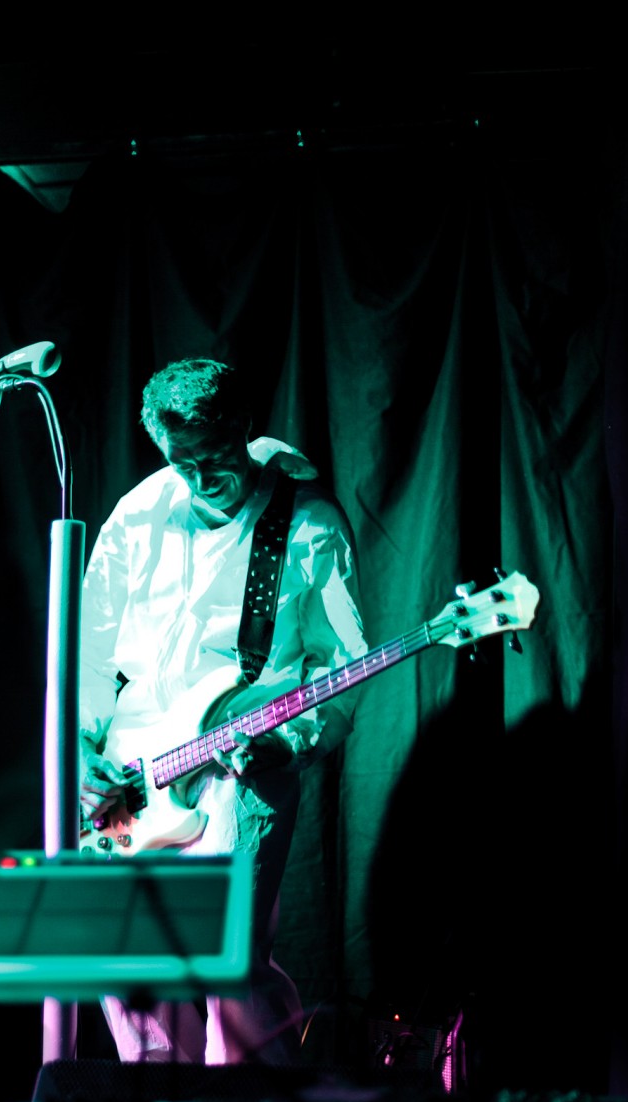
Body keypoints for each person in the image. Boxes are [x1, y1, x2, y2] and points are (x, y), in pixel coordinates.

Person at [78, 357, 367, 1065]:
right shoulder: (137, 515)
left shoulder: (308, 524)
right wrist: (82, 746)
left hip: (243, 761)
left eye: (214, 458)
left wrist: (291, 740)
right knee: (127, 960)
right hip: (136, 765)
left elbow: (342, 664)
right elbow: (88, 650)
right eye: (183, 463)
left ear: (243, 427)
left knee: (227, 959)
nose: (202, 478)